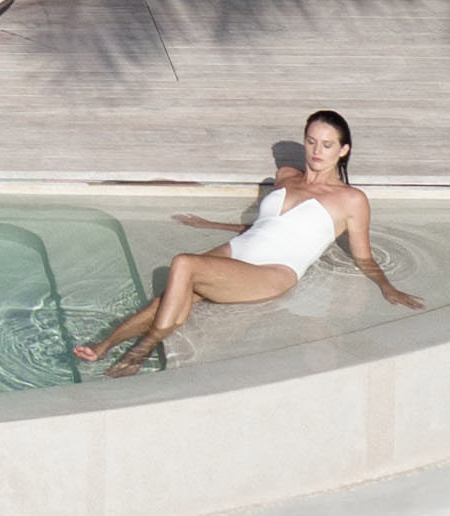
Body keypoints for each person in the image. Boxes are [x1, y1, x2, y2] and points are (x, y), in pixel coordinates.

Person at [75, 108, 420, 374]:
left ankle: (141, 352)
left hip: (275, 270)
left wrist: (386, 287)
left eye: (327, 145)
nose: (317, 151)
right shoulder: (286, 176)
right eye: (311, 141)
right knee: (176, 294)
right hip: (242, 248)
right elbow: (267, 225)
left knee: (184, 264)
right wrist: (210, 223)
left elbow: (363, 256)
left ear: (343, 151)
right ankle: (106, 345)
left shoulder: (351, 200)